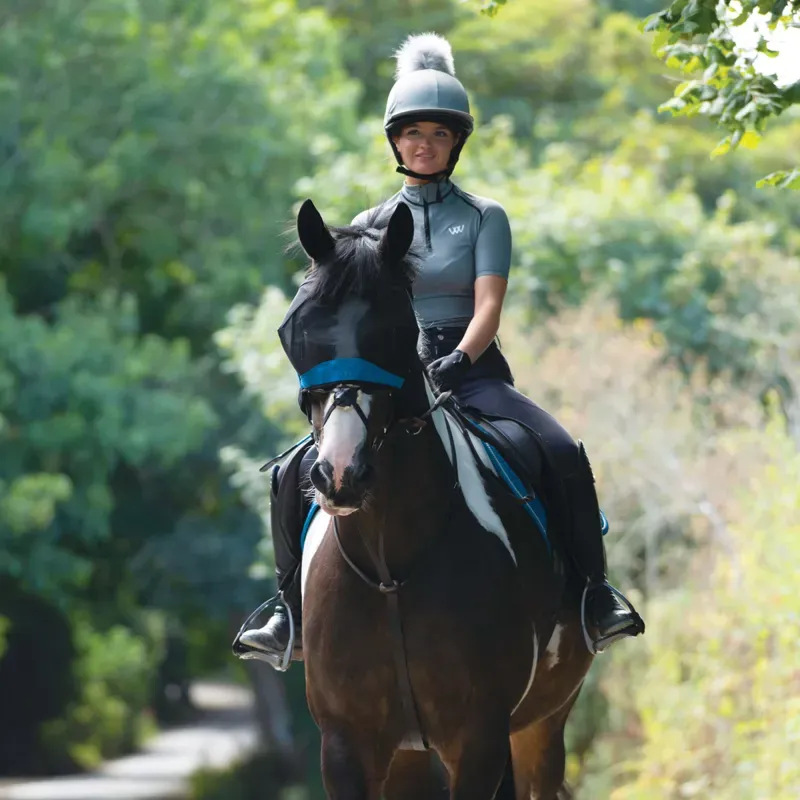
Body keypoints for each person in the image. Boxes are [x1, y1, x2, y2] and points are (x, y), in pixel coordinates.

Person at [239, 33, 644, 661]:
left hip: (470, 368)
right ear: (395, 142)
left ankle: (594, 594)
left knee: (562, 449)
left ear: (456, 143)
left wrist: (459, 359)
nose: (424, 144)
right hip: (390, 375)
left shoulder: (485, 217)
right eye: (412, 134)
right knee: (294, 470)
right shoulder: (368, 227)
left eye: (438, 134)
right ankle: (286, 609)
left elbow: (489, 306)